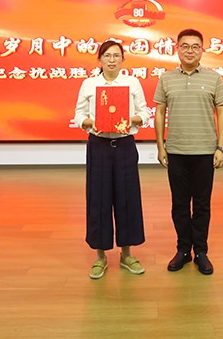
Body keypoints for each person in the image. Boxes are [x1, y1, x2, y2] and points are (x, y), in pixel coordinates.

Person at [154, 29, 223, 275]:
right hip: (176, 151)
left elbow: (222, 112)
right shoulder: (166, 78)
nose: (190, 51)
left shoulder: (214, 78)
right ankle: (183, 250)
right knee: (179, 205)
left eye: (195, 46)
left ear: (202, 50)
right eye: (185, 46)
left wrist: (220, 147)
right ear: (177, 49)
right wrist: (160, 146)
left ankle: (202, 252)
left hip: (205, 151)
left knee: (202, 205)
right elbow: (159, 113)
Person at [74, 40, 150, 279]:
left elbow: (145, 112)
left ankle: (127, 254)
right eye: (107, 55)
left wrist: (132, 119)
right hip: (99, 146)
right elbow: (78, 115)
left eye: (117, 55)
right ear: (99, 59)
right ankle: (100, 257)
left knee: (127, 198)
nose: (112, 60)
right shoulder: (89, 84)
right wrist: (91, 122)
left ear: (123, 60)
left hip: (125, 145)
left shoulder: (132, 83)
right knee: (98, 199)